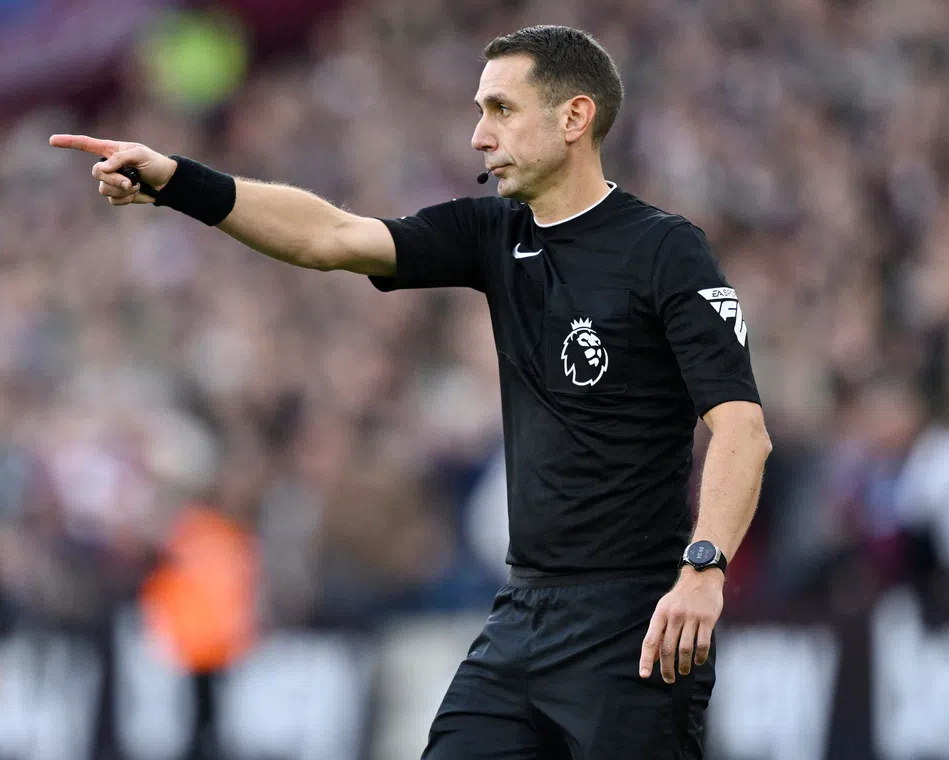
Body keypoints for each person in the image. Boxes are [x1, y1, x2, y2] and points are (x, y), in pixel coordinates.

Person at [51, 24, 772, 760]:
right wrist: (181, 183)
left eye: (500, 109)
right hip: (522, 616)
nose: (478, 135)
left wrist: (704, 569)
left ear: (574, 118)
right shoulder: (494, 234)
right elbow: (327, 237)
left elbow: (742, 428)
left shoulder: (663, 249)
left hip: (634, 625)